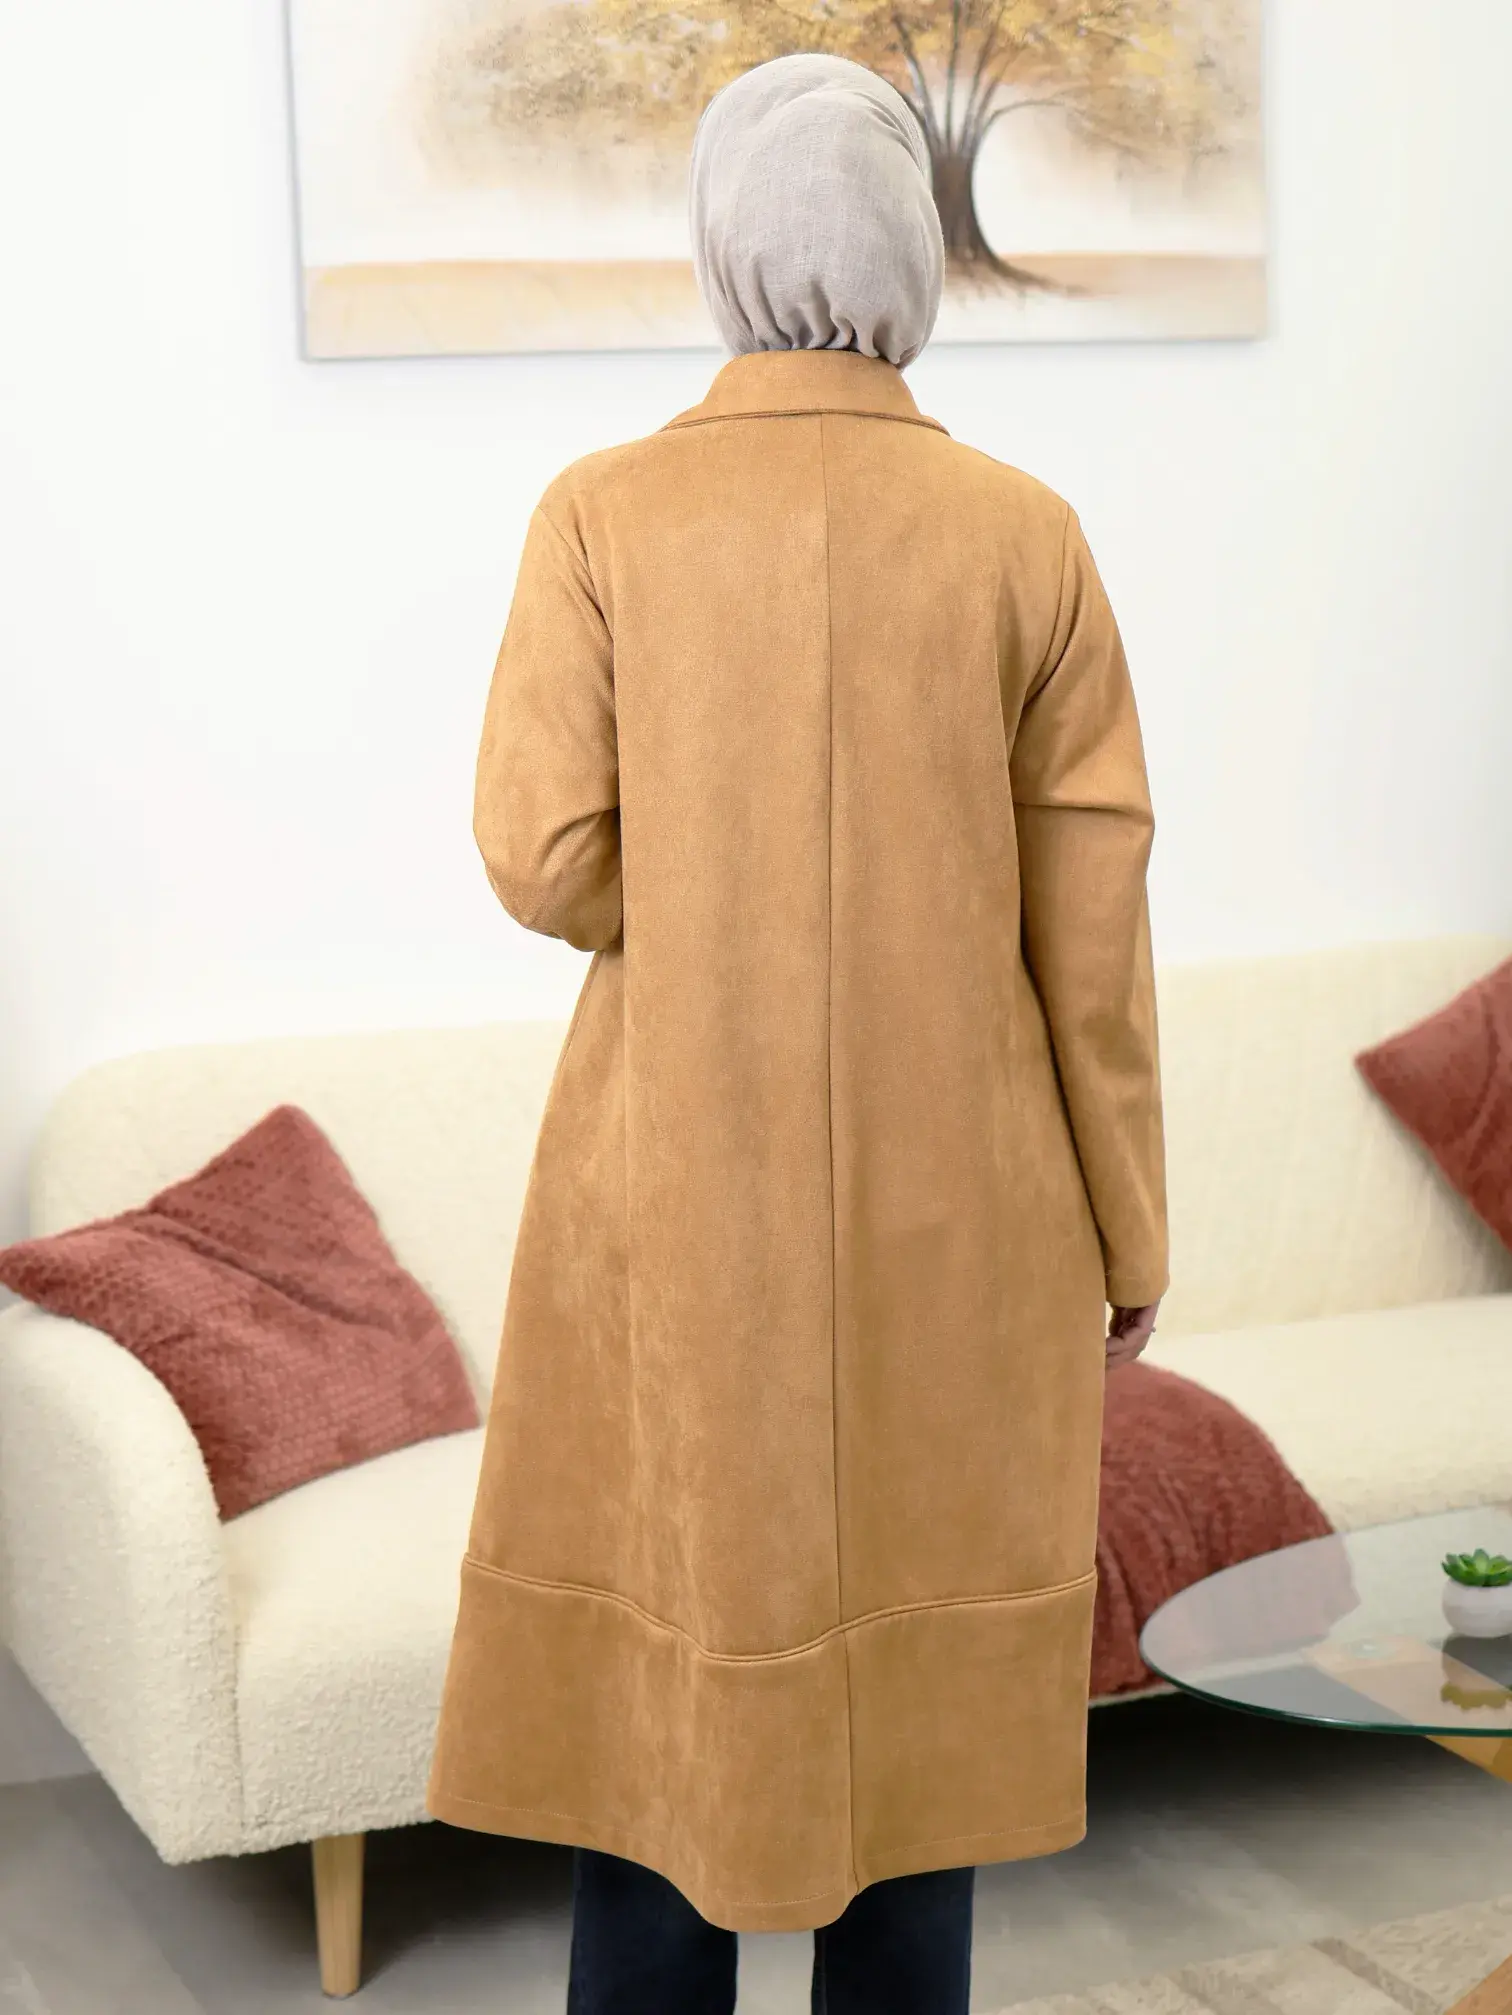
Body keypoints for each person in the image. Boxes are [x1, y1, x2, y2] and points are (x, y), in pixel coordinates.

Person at [428, 50, 1167, 2015]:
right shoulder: (1027, 534)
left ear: (724, 245)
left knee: (652, 1771)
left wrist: (714, 898)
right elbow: (1092, 937)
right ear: (911, 254)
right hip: (967, 1224)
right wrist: (1130, 1230)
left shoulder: (602, 515)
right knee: (916, 1797)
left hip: (672, 1212)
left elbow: (541, 849)